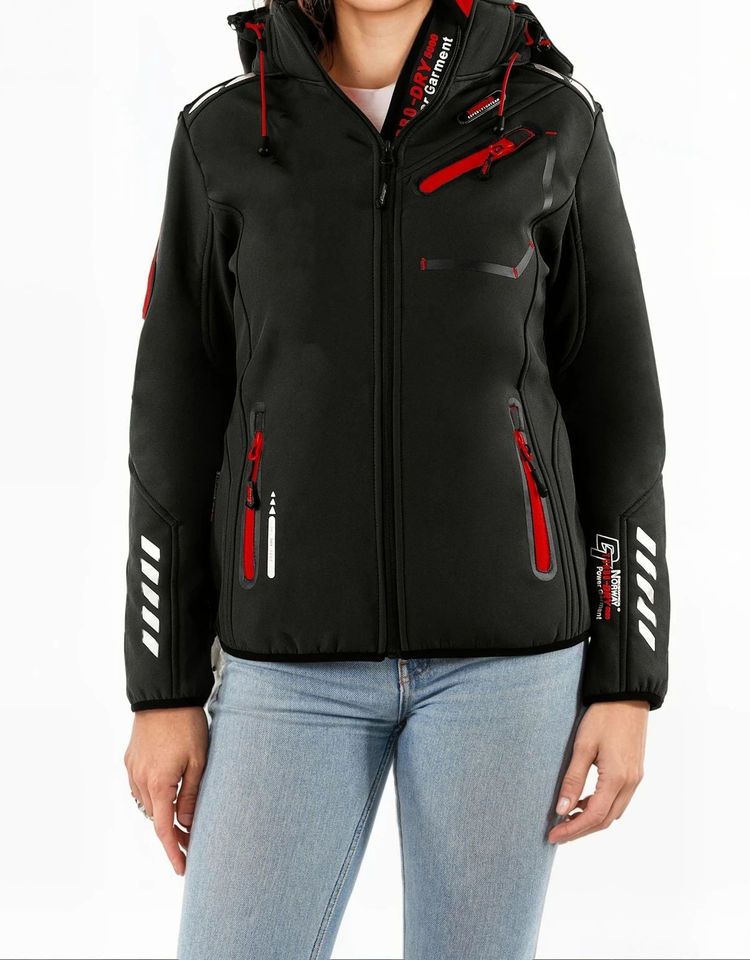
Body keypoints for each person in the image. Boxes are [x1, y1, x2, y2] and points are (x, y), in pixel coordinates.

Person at [122, 1, 670, 957]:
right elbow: (174, 421)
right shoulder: (226, 133)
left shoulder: (550, 120)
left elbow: (617, 412)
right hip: (286, 665)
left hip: (509, 667)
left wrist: (628, 679)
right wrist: (162, 688)